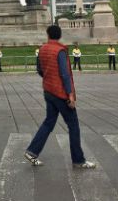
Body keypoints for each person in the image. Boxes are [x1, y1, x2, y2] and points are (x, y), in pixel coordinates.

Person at [24, 25, 96, 169]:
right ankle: (78, 160)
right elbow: (65, 74)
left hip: (48, 91)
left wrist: (48, 78)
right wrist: (70, 95)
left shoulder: (42, 49)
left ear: (48, 35)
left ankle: (32, 151)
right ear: (60, 35)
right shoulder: (60, 51)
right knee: (73, 125)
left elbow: (39, 69)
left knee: (49, 122)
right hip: (61, 93)